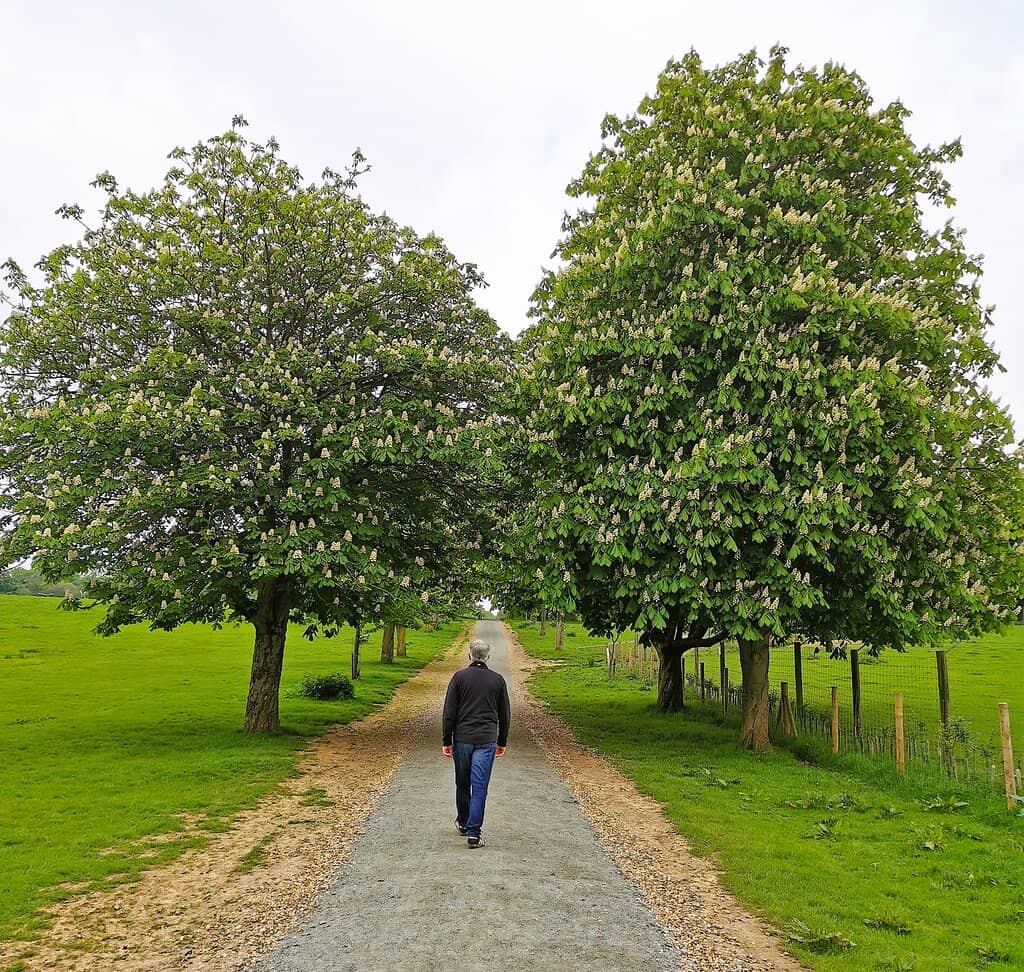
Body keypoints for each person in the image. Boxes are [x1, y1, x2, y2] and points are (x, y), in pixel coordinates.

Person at [441, 638, 510, 848]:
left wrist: (447, 739)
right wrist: (502, 740)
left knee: (462, 782)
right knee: (480, 786)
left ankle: (463, 822)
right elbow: (505, 714)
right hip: (486, 739)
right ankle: (474, 833)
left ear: (469, 655)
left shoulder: (459, 678)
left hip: (462, 738)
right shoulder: (497, 680)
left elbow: (449, 712)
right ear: (488, 657)